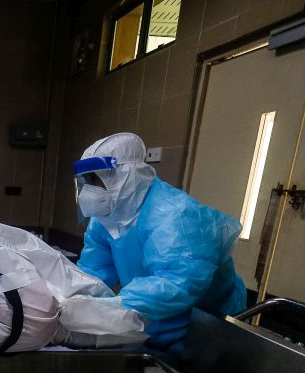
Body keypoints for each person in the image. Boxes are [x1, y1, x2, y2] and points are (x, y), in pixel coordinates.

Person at [73, 132, 246, 352]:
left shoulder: (175, 215)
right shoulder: (105, 218)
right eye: (87, 180)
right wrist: (69, 295)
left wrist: (114, 306)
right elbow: (94, 270)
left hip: (204, 324)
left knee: (191, 369)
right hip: (152, 320)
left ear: (125, 175)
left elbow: (177, 283)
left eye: (97, 179)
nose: (91, 190)